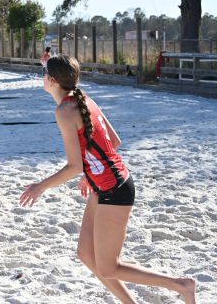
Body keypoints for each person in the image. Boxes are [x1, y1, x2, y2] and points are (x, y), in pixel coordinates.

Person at [20, 55, 196, 304]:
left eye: (44, 73)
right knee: (85, 254)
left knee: (109, 267)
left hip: (114, 189)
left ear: (52, 81)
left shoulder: (65, 111)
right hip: (107, 184)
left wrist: (41, 186)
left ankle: (182, 285)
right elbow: (114, 141)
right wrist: (91, 174)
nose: (42, 77)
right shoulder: (82, 98)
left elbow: (74, 166)